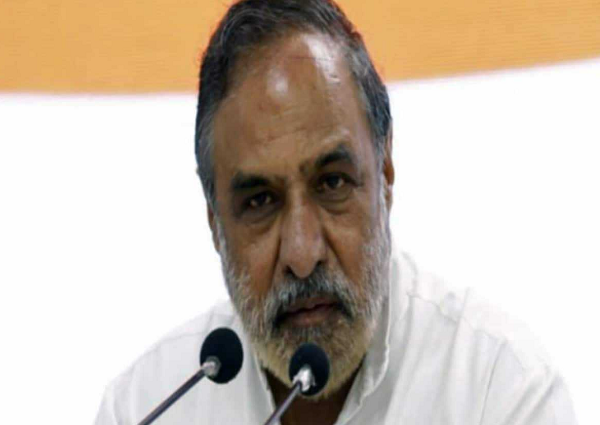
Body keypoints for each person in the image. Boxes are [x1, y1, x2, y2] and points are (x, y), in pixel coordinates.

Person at [95, 0, 578, 423]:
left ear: (385, 173)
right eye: (259, 201)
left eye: (332, 184)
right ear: (214, 225)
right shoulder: (148, 407)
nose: (303, 255)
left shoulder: (498, 391)